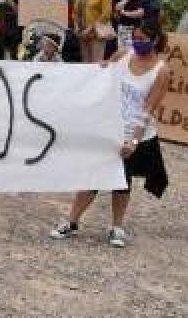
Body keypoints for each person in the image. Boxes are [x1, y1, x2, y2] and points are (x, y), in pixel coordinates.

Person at [49, 20, 170, 248]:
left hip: (135, 133)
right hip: (108, 126)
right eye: (135, 38)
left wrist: (133, 140)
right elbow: (103, 72)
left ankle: (117, 227)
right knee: (92, 174)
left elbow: (148, 109)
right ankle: (72, 221)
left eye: (143, 39)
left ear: (154, 41)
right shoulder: (124, 54)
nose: (137, 43)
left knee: (122, 180)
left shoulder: (161, 71)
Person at [73, 0, 114, 64]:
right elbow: (75, 11)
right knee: (85, 61)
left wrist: (91, 28)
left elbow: (106, 14)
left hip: (97, 32)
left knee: (96, 62)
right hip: (82, 32)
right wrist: (77, 27)